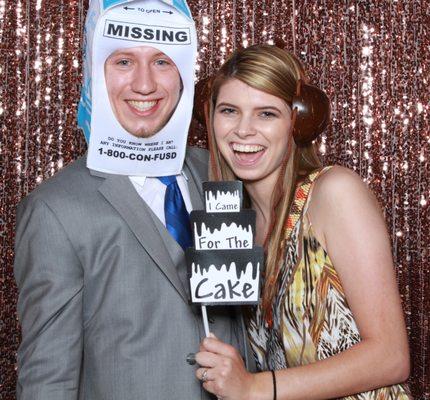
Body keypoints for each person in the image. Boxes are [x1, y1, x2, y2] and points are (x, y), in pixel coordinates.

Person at [13, 1, 248, 399]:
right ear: (95, 70)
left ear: (183, 73)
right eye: (123, 61)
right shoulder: (55, 209)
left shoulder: (222, 171)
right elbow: (47, 380)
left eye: (162, 61)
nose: (144, 85)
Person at [194, 44, 411, 400]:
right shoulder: (236, 226)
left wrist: (254, 388)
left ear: (299, 121)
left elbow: (391, 357)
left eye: (266, 114)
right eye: (229, 111)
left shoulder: (334, 193)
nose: (244, 130)